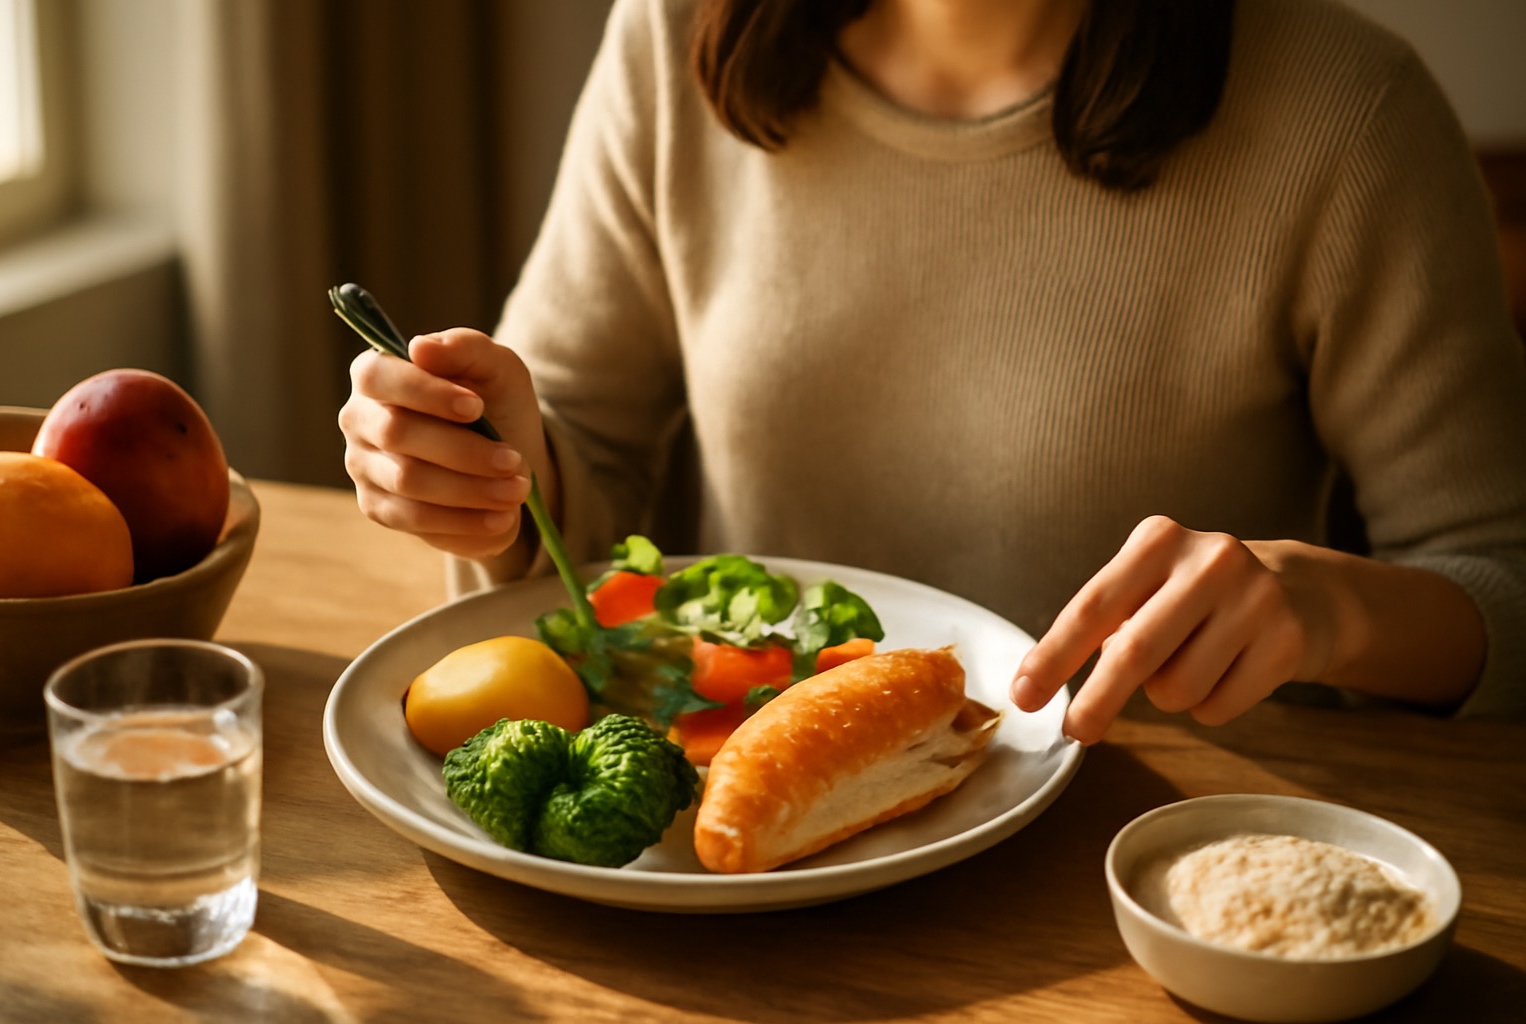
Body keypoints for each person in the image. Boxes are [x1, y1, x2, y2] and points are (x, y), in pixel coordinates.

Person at [338, 0, 1526, 743]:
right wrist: (493, 476)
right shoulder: (667, 36)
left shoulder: (1351, 110)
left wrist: (1333, 606)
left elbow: (1505, 581)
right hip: (748, 858)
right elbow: (575, 468)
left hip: (1156, 872)